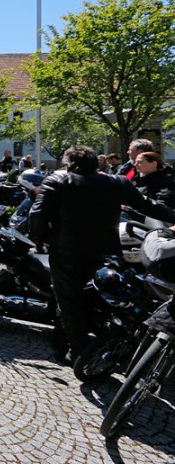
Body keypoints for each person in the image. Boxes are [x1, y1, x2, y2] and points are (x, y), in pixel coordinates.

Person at [29, 145, 175, 363]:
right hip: (107, 251)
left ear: (69, 164)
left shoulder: (57, 181)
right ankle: (101, 344)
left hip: (67, 251)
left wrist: (40, 240)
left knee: (69, 301)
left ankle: (77, 352)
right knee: (101, 296)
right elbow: (148, 206)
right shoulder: (116, 182)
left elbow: (37, 214)